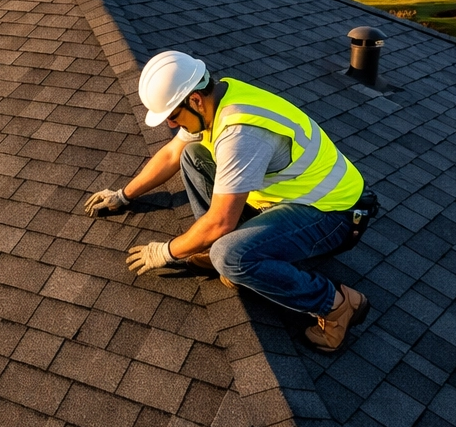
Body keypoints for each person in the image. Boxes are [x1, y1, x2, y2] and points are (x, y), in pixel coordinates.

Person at [85, 50, 376, 352]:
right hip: (291, 198)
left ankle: (336, 304)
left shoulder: (241, 133)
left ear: (195, 99)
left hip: (335, 214)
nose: (171, 124)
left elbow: (221, 221)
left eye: (173, 115)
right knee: (192, 156)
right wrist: (123, 195)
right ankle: (219, 252)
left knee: (229, 255)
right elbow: (172, 154)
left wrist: (167, 252)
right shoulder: (217, 98)